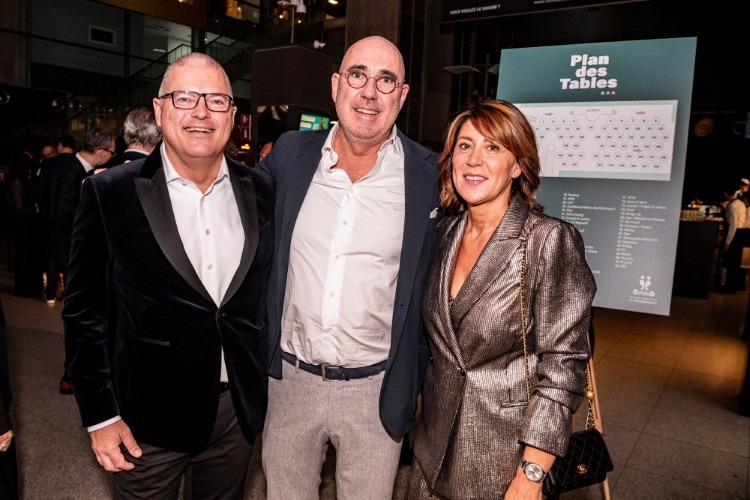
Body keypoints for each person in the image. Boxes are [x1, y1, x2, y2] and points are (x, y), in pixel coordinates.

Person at [62, 52, 274, 499]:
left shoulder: (261, 190)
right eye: (185, 98)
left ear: (232, 116)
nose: (201, 112)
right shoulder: (109, 192)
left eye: (216, 100)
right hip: (146, 419)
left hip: (234, 415)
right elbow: (84, 314)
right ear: (159, 111)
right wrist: (101, 415)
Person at [258, 35, 441, 500]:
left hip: (375, 391)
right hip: (290, 382)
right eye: (358, 75)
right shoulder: (290, 155)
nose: (369, 92)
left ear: (402, 95)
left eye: (386, 80)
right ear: (336, 85)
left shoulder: (428, 176)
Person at [406, 100, 596, 499]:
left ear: (518, 165)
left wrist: (531, 474)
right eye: (465, 145)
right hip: (430, 455)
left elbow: (563, 368)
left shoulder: (547, 240)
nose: (474, 159)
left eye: (493, 147)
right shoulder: (443, 234)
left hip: (503, 463)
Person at [717, 188, 749, 294]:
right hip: (740, 234)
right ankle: (733, 286)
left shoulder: (733, 205)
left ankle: (729, 287)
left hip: (735, 235)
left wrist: (727, 242)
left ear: (726, 194)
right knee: (735, 262)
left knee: (730, 262)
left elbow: (733, 225)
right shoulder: (741, 204)